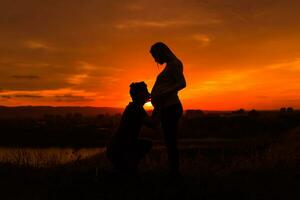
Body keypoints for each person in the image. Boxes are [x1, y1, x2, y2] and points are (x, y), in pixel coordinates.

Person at [150, 42, 186, 175]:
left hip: (171, 107)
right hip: (166, 107)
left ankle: (174, 173)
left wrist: (163, 93)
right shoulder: (170, 66)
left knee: (170, 142)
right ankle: (173, 171)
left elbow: (182, 83)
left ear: (161, 52)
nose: (155, 60)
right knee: (169, 141)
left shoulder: (174, 64)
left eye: (155, 56)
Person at [106, 81, 155, 174]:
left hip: (116, 147)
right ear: (139, 95)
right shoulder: (136, 109)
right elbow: (153, 124)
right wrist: (160, 107)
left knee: (145, 143)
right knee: (146, 144)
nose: (147, 94)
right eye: (145, 92)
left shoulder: (133, 107)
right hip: (119, 149)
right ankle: (129, 168)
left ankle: (127, 168)